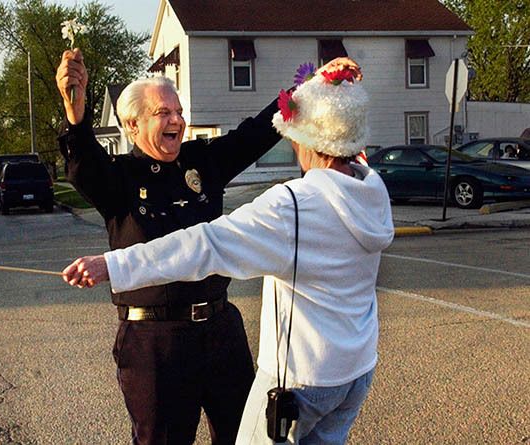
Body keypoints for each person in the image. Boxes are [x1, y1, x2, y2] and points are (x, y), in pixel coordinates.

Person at [62, 63, 394, 444]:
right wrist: (76, 118)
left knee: (245, 433)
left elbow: (256, 133)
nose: (177, 120)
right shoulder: (119, 177)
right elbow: (83, 166)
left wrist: (308, 87)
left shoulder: (202, 162)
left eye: (180, 112)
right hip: (156, 340)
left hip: (219, 330)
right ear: (133, 126)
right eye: (163, 113)